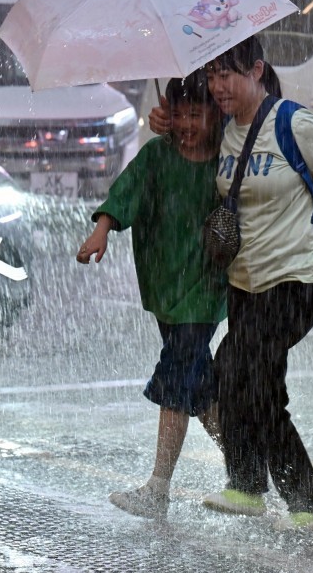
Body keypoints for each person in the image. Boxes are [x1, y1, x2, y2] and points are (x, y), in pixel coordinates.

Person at [149, 35, 313, 531]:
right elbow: (185, 143)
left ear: (256, 70)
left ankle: (269, 490)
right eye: (211, 76)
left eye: (226, 75)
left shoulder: (294, 123)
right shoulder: (223, 130)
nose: (217, 86)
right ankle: (279, 494)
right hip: (247, 281)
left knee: (247, 371)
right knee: (239, 376)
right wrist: (167, 122)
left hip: (300, 276)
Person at [77, 69, 227, 519]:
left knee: (178, 374)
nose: (185, 125)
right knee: (198, 387)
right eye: (178, 114)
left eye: (196, 115)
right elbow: (125, 192)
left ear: (216, 116)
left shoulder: (229, 160)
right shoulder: (157, 156)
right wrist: (101, 231)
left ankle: (158, 488)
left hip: (205, 288)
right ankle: (248, 467)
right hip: (165, 284)